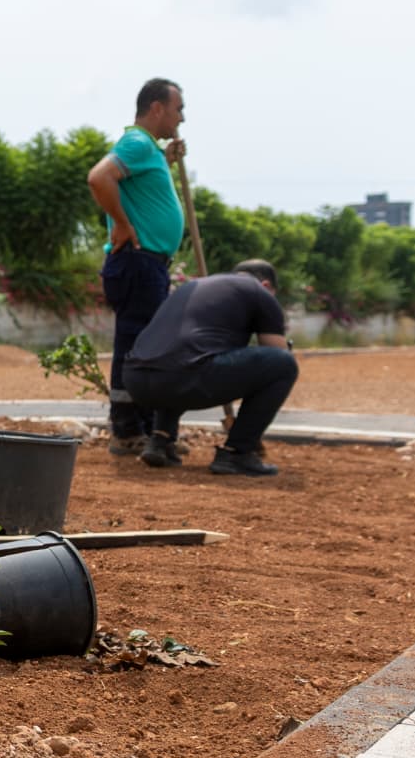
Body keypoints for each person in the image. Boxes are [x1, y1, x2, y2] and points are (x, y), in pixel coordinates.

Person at [122, 260, 299, 476]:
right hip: (185, 377)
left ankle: (160, 440)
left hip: (136, 381)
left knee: (181, 357)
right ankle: (237, 453)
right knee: (284, 364)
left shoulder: (193, 287)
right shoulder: (258, 292)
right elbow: (276, 351)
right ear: (266, 285)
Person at [86, 78, 187, 457]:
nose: (182, 117)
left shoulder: (148, 150)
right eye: (178, 109)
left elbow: (139, 185)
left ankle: (141, 427)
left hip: (148, 264)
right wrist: (124, 225)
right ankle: (127, 430)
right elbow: (99, 177)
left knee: (144, 347)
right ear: (158, 108)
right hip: (137, 263)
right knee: (134, 348)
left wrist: (167, 160)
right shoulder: (137, 143)